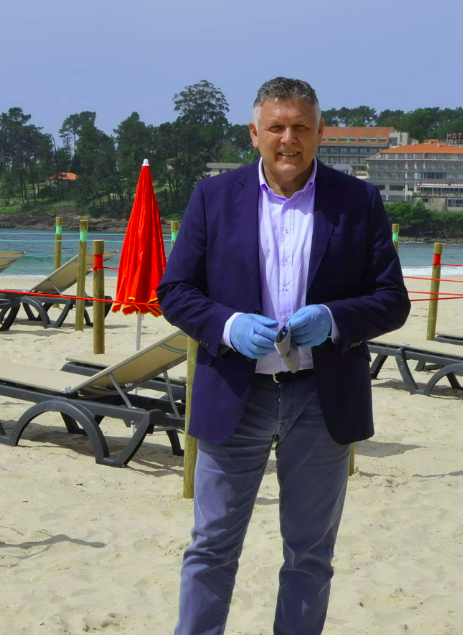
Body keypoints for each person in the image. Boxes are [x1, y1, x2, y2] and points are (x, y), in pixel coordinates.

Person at [157, 77, 410, 634]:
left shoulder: (358, 200)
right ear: (255, 133)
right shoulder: (213, 196)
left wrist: (333, 319)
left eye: (300, 127)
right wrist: (228, 326)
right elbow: (175, 291)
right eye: (276, 127)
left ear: (320, 133)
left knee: (310, 554)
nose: (288, 139)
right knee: (211, 547)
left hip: (322, 399)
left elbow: (392, 300)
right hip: (235, 393)